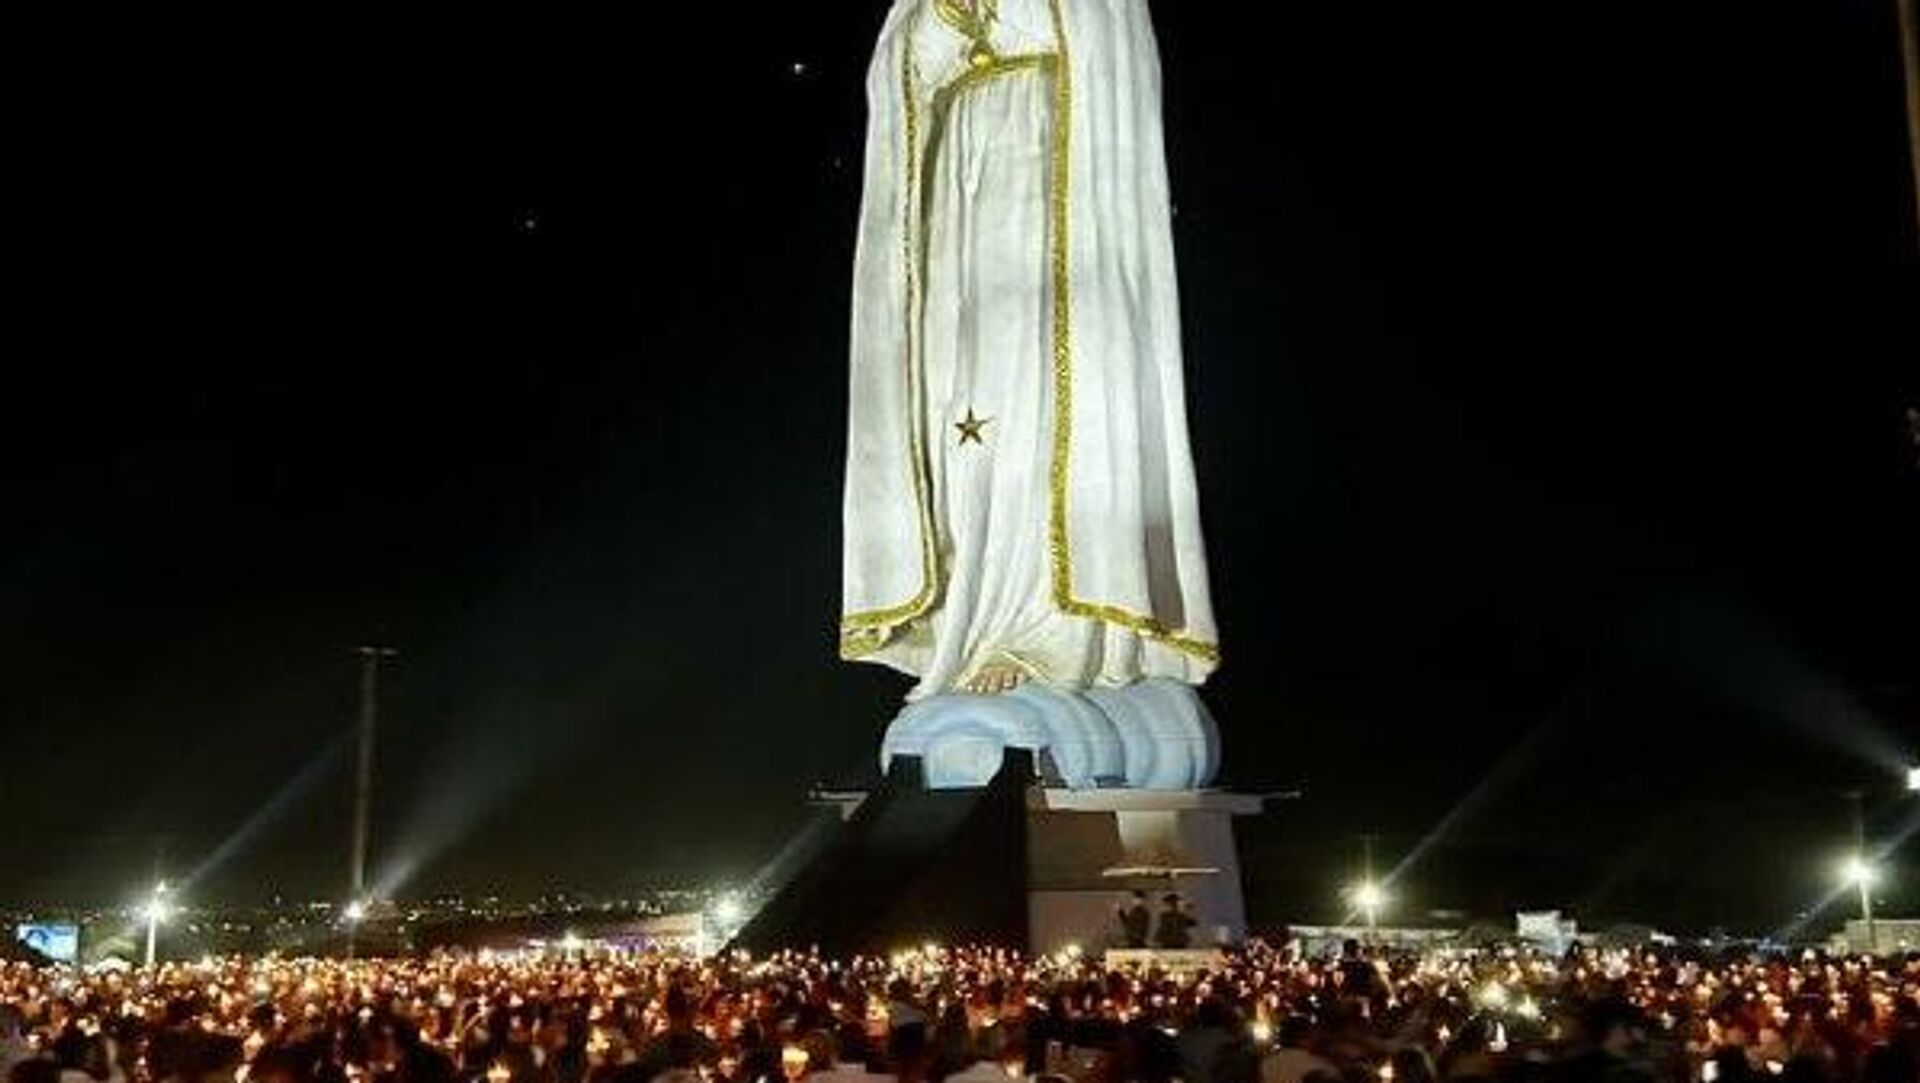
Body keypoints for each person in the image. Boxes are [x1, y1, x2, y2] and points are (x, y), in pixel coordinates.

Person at [839, 0, 1220, 697]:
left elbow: (1094, 37)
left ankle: (1045, 624)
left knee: (1041, 393)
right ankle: (972, 615)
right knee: (959, 405)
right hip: (962, 191)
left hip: (1053, 172)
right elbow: (905, 65)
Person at [1257, 1017, 1332, 1083]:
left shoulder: (1267, 1063)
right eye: (1313, 1035)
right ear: (1303, 1038)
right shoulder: (1320, 1066)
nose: (1316, 1039)